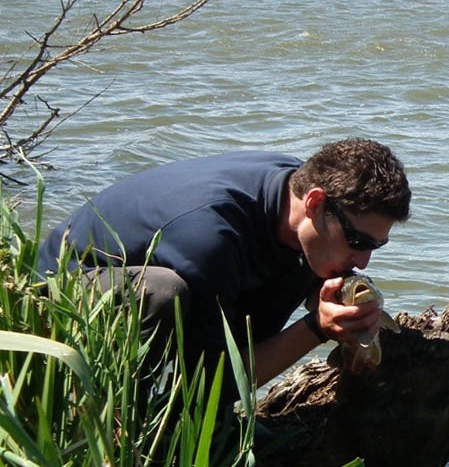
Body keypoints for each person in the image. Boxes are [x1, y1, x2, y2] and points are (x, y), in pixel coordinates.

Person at [37, 139, 411, 403]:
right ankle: (130, 423)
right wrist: (316, 329)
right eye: (358, 241)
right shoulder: (209, 237)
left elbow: (318, 248)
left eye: (375, 246)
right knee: (162, 293)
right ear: (315, 202)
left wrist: (332, 299)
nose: (363, 261)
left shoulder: (293, 196)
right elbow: (216, 383)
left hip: (196, 273)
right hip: (59, 298)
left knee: (313, 258)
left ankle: (208, 424)